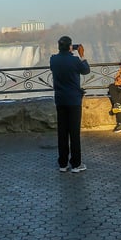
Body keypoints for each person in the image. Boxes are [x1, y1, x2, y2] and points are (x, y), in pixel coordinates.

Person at [50, 36, 90, 172]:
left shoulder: (53, 60)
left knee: (62, 133)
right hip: (73, 100)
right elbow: (86, 70)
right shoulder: (75, 60)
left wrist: (67, 50)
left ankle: (62, 163)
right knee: (74, 133)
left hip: (60, 100)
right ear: (70, 47)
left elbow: (59, 60)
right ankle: (76, 164)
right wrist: (82, 55)